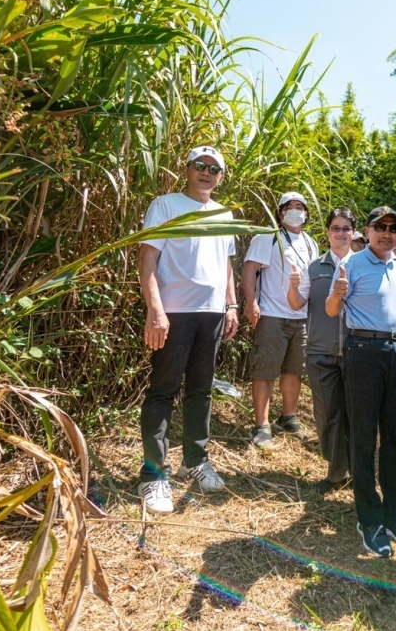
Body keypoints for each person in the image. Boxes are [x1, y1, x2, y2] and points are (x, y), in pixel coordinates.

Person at [136, 146, 240, 515]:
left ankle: (195, 460)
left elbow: (226, 265)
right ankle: (153, 476)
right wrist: (156, 312)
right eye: (200, 165)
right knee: (163, 390)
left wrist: (231, 305)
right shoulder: (165, 206)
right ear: (187, 169)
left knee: (201, 390)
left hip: (211, 314)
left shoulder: (224, 214)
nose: (207, 172)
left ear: (221, 176)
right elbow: (148, 260)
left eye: (214, 168)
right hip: (174, 313)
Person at [326, 206, 396, 558]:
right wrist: (336, 293)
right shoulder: (350, 263)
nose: (387, 233)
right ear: (365, 231)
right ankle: (370, 521)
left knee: (395, 437)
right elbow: (332, 310)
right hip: (363, 351)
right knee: (365, 437)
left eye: (393, 228)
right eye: (380, 227)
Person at [242, 192, 319, 450]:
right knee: (265, 370)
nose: (295, 211)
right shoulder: (268, 237)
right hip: (272, 314)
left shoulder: (311, 243)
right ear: (279, 212)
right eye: (289, 207)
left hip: (302, 317)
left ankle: (288, 417)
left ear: (307, 214)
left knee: (294, 370)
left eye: (300, 207)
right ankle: (261, 425)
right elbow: (250, 268)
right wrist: (250, 301)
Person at [287, 207, 356, 492]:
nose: (340, 233)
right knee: (327, 413)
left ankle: (357, 470)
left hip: (357, 351)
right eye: (335, 228)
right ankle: (336, 470)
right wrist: (292, 287)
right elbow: (296, 304)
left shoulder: (363, 265)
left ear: (353, 232)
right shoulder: (313, 267)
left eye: (346, 228)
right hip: (320, 352)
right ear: (327, 232)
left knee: (355, 413)